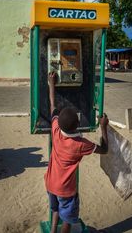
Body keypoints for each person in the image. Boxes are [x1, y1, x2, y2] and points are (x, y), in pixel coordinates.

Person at [45, 72, 109, 233]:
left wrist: (51, 84)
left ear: (59, 123)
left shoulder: (56, 131)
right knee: (67, 218)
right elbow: (105, 150)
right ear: (78, 123)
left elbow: (52, 106)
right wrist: (103, 127)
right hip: (67, 189)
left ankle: (53, 231)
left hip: (51, 183)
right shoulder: (81, 144)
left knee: (55, 209)